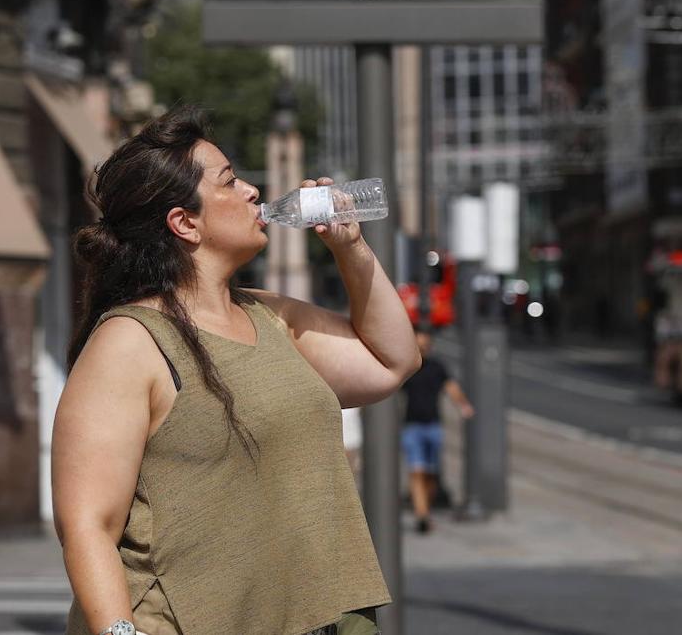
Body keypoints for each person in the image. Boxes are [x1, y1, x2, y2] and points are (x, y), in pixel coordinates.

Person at [51, 107, 420, 635]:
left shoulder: (270, 316)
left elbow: (393, 362)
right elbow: (87, 524)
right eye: (229, 181)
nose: (252, 191)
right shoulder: (130, 343)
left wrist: (352, 250)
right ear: (185, 223)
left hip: (330, 615)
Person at [401, 329, 473, 534]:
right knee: (416, 472)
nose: (422, 349)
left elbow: (451, 387)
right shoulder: (409, 369)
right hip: (412, 426)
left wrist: (464, 405)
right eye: (418, 346)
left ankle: (426, 510)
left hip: (433, 426)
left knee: (430, 475)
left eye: (425, 346)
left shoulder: (436, 367)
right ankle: (421, 515)